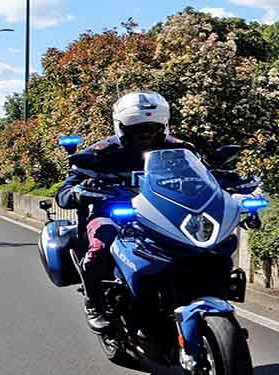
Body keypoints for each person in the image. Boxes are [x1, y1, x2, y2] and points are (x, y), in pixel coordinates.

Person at [55, 91, 195, 332]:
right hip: (111, 214)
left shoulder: (180, 149)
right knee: (101, 243)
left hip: (165, 215)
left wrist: (231, 183)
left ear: (163, 126)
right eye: (137, 128)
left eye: (152, 127)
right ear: (122, 127)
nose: (146, 134)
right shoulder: (101, 152)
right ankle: (94, 302)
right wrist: (77, 192)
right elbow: (66, 190)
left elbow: (204, 174)